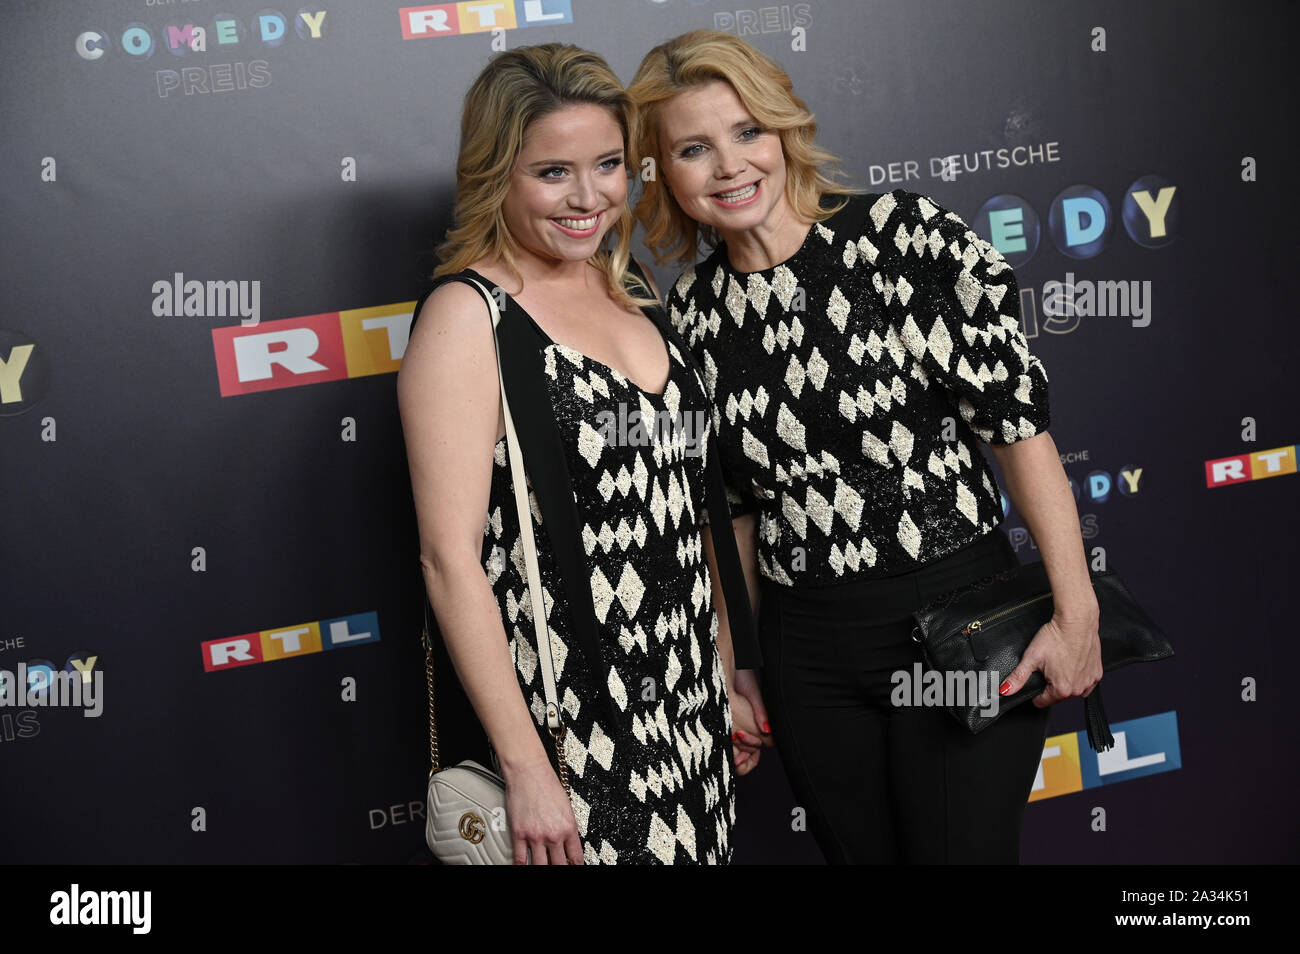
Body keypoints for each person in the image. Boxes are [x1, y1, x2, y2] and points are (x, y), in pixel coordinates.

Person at [627, 30, 1102, 864]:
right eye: (693, 148)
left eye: (746, 132)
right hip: (809, 660)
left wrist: (1077, 611)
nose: (729, 166)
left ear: (784, 131)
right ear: (663, 171)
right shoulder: (692, 318)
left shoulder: (898, 238)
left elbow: (1017, 431)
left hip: (957, 627)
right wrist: (731, 668)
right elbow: (731, 516)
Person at [396, 42, 760, 866]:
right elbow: (449, 561)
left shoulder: (634, 293)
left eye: (606, 165)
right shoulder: (468, 317)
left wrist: (726, 673)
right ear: (497, 175)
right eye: (552, 172)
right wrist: (528, 768)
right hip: (570, 726)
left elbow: (691, 512)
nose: (589, 196)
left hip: (688, 705)